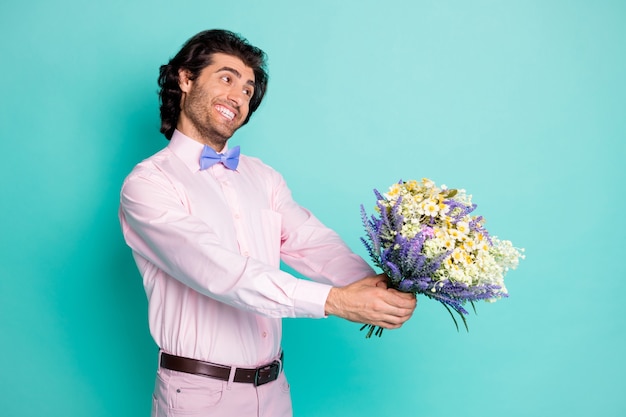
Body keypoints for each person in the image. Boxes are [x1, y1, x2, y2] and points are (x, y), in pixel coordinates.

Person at [119, 29, 416, 417]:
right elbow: (220, 271)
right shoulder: (148, 183)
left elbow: (310, 241)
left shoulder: (263, 177)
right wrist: (336, 301)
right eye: (226, 78)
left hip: (274, 390)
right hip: (198, 396)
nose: (238, 96)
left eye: (247, 89)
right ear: (186, 79)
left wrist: (379, 286)